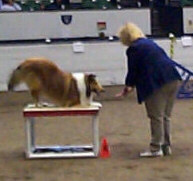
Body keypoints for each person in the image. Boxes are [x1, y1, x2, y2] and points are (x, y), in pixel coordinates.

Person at [116, 23, 182, 157]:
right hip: (173, 78)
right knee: (165, 116)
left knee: (156, 116)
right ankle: (165, 147)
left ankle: (155, 148)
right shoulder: (149, 43)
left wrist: (128, 86)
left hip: (157, 83)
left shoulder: (133, 49)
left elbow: (133, 70)